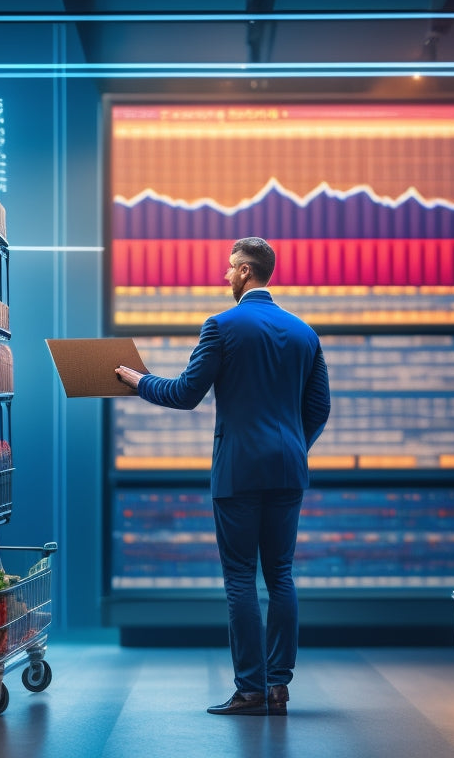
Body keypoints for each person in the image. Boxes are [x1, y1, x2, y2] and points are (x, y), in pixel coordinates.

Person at [115, 236, 330, 716]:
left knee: (239, 578)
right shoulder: (304, 333)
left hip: (238, 471)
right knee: (280, 575)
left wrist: (138, 381)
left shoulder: (222, 326)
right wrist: (294, 444)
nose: (224, 277)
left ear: (244, 271)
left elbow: (186, 393)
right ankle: (278, 686)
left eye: (229, 269)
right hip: (289, 470)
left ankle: (250, 688)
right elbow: (320, 408)